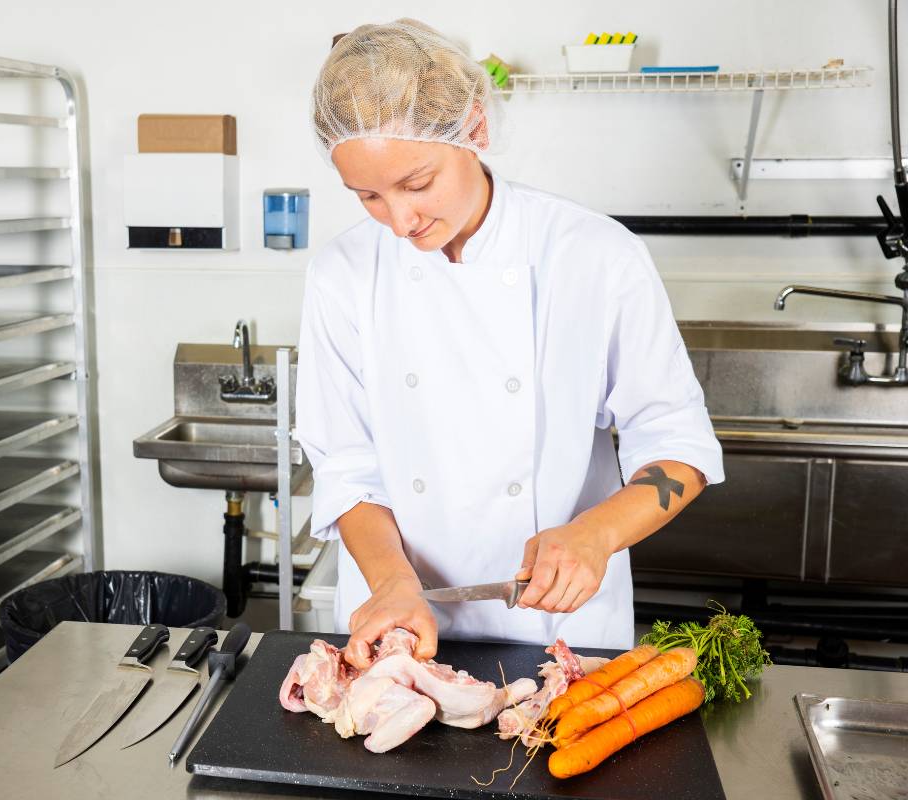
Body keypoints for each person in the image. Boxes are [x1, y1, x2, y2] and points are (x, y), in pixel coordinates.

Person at [295, 19, 724, 670]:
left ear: (475, 128)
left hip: (562, 628)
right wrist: (391, 581)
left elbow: (677, 444)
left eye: (416, 184)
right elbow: (346, 465)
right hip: (396, 625)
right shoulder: (343, 273)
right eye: (369, 197)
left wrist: (595, 534)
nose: (401, 220)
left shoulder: (594, 255)